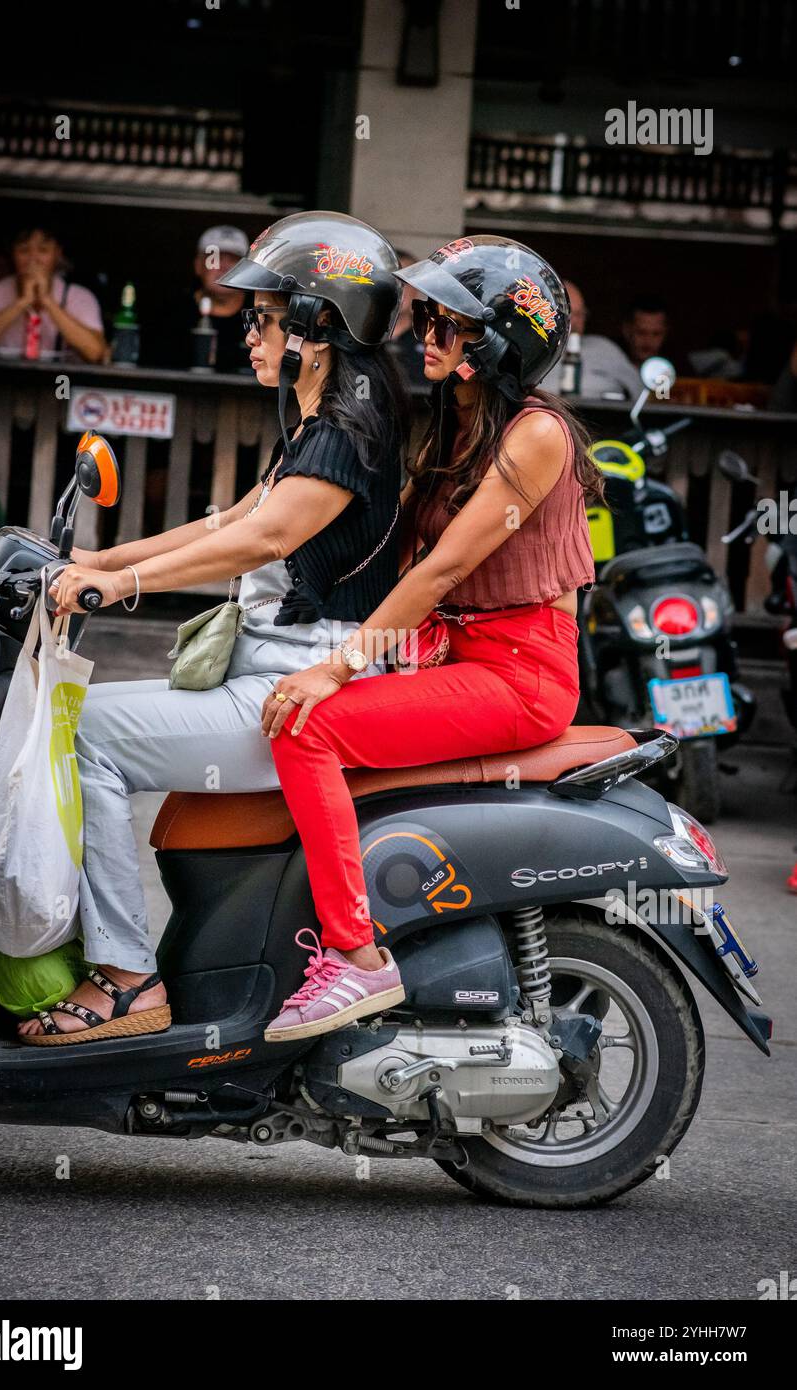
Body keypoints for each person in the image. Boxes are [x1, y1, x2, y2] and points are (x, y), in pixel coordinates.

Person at [16, 211, 409, 1044]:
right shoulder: (314, 426)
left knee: (87, 734)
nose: (249, 334)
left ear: (317, 327)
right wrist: (94, 558)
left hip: (292, 686)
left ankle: (127, 975)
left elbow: (262, 539)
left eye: (266, 318)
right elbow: (223, 523)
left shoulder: (346, 434)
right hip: (267, 672)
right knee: (89, 722)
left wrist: (116, 585)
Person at [259, 235, 602, 1043]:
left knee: (309, 727)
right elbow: (392, 541)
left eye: (448, 324)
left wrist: (335, 672)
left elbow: (444, 569)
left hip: (519, 677)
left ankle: (355, 956)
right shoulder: (455, 426)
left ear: (497, 341)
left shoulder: (536, 434)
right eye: (426, 319)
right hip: (460, 656)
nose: (426, 336)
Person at [0, 227, 106, 364]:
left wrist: (48, 302)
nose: (33, 259)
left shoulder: (79, 297)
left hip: (60, 383)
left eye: (43, 250)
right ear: (12, 254)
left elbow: (96, 353)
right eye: (24, 250)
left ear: (58, 254)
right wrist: (22, 302)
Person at [146, 224, 251, 371]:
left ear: (247, 269)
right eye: (214, 257)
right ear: (198, 265)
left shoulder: (261, 316)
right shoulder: (172, 313)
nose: (223, 266)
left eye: (233, 260)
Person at [539, 279, 640, 399]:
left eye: (580, 314)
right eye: (569, 313)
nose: (575, 322)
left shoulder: (605, 349)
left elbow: (642, 395)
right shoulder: (535, 352)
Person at [387, 249, 426, 384]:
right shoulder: (363, 338)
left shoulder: (431, 341)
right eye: (394, 280)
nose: (400, 288)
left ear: (416, 287)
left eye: (405, 281)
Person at [621, 292, 669, 368]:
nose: (648, 340)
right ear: (626, 331)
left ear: (665, 333)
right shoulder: (608, 370)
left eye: (656, 334)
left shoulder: (681, 371)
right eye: (641, 332)